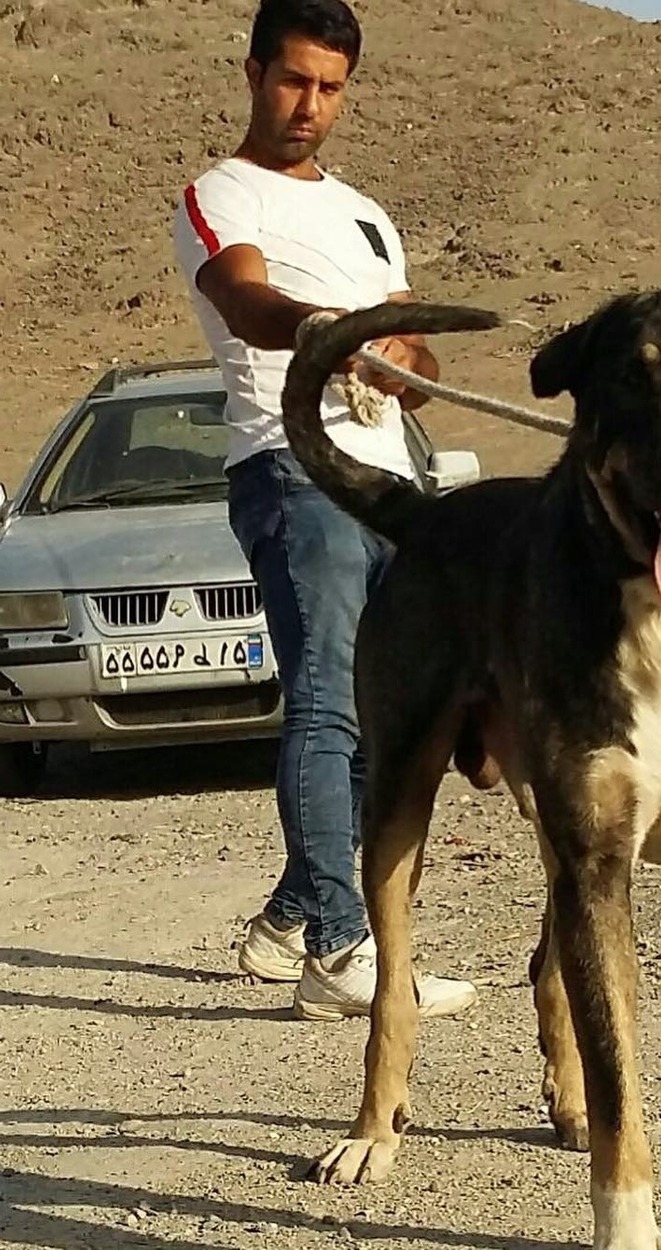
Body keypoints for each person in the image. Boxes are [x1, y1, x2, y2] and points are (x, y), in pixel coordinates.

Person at [172, 0, 477, 1021]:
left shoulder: (364, 213)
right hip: (293, 468)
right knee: (326, 701)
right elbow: (246, 302)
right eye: (294, 80)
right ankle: (342, 950)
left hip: (391, 482)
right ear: (254, 72)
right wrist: (331, 329)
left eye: (330, 88)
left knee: (384, 718)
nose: (310, 105)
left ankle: (294, 911)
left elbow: (421, 368)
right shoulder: (220, 193)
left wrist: (398, 355)